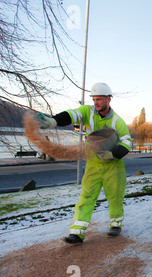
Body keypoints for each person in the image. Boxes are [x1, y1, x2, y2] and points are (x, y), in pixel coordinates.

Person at [39, 83, 132, 244]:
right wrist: (53, 121)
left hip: (113, 166)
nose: (96, 103)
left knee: (115, 197)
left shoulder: (117, 121)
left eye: (100, 99)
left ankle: (115, 224)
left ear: (109, 100)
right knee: (86, 196)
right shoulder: (87, 112)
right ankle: (76, 233)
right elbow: (71, 114)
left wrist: (113, 154)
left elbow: (127, 142)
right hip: (93, 164)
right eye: (94, 99)